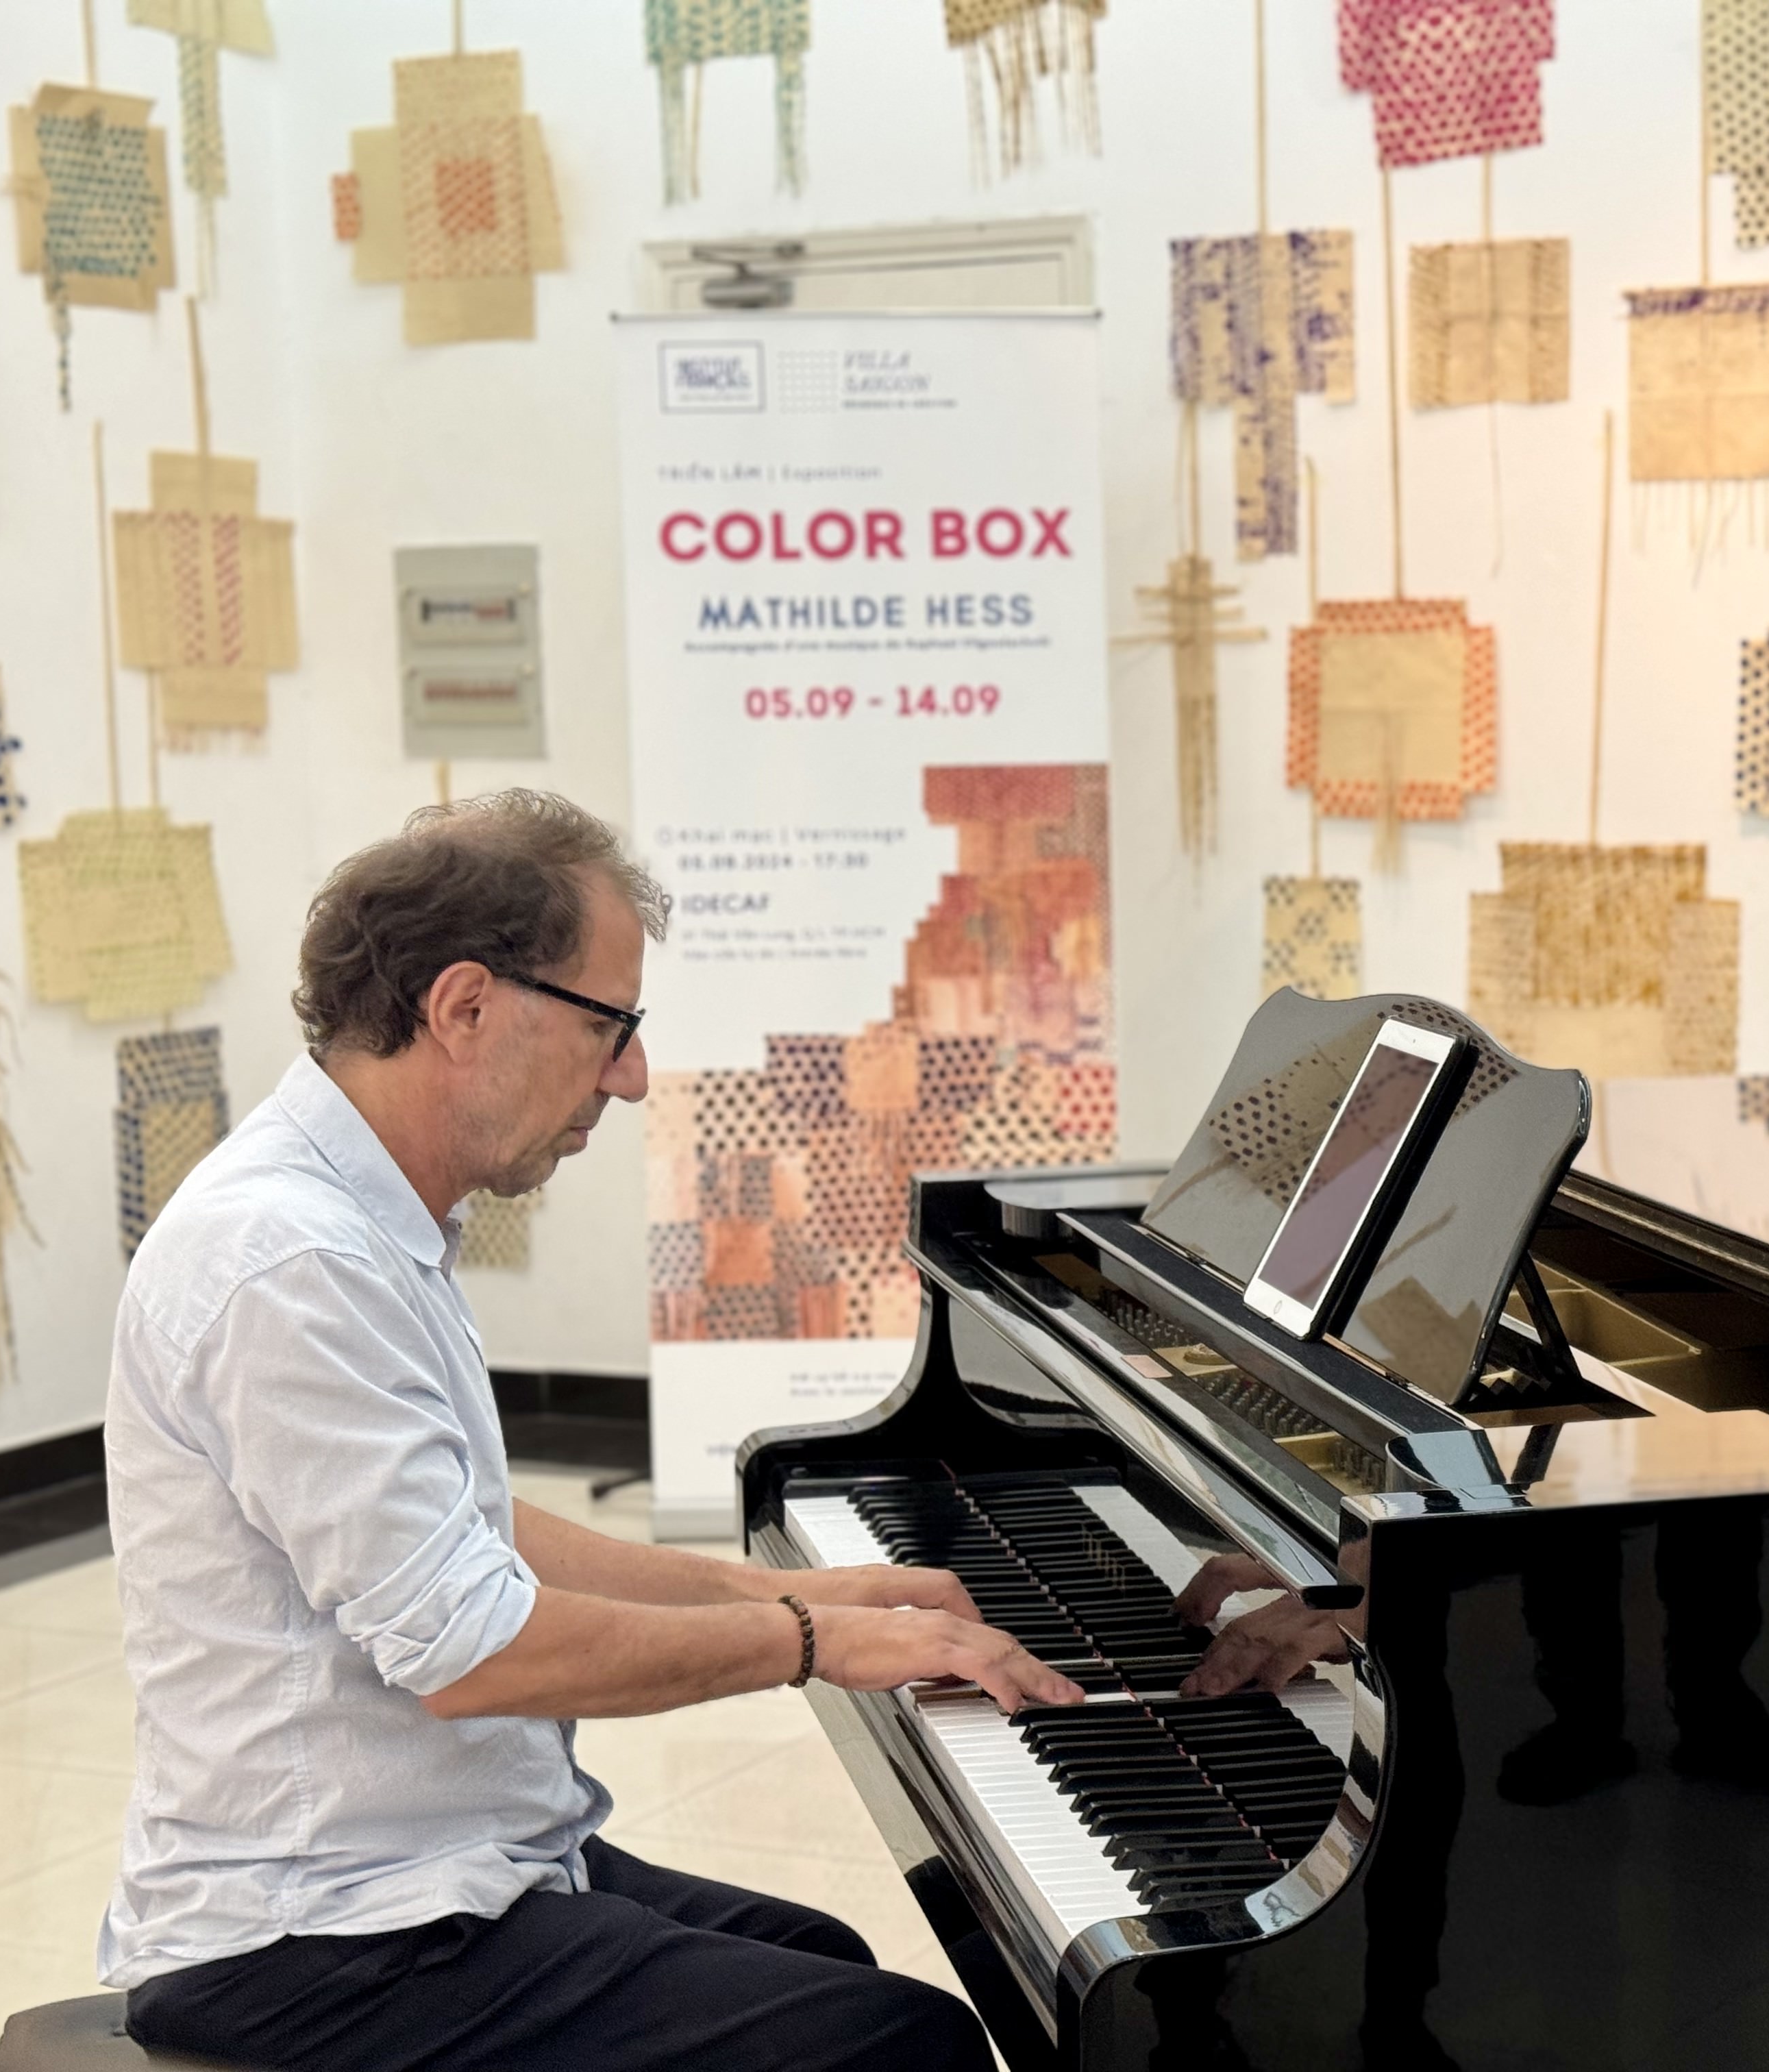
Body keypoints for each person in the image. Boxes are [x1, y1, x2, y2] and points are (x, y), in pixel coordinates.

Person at [100, 792, 1084, 2072]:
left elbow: (466, 1532)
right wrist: (813, 1637)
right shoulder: (288, 1259)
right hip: (319, 1935)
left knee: (827, 1964)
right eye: (610, 1027)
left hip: (438, 1860)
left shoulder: (357, 1215)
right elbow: (475, 1652)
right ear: (464, 1008)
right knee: (898, 2046)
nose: (630, 1075)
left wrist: (777, 1584)